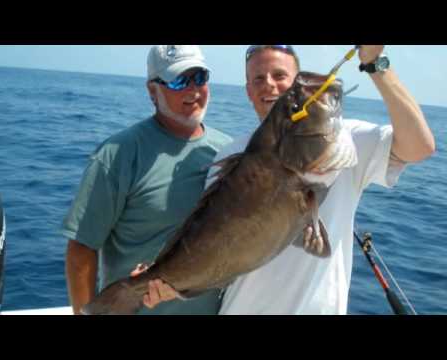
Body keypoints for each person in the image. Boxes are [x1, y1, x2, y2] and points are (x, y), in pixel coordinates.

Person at [142, 45, 435, 314]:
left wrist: (374, 65)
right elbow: (208, 241)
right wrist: (166, 284)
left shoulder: (349, 140)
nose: (269, 84)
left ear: (296, 80)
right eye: (258, 79)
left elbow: (420, 147)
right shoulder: (230, 154)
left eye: (280, 75)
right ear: (248, 91)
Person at [62, 45, 232, 315]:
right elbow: (81, 249)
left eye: (199, 77)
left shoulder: (229, 152)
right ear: (152, 91)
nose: (193, 90)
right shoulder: (117, 154)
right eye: (178, 80)